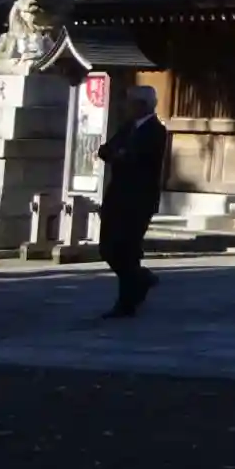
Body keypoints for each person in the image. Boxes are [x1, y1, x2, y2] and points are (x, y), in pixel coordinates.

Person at [96, 85, 166, 318]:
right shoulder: (127, 127)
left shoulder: (156, 130)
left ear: (142, 105)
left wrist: (121, 155)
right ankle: (141, 279)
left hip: (139, 199)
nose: (127, 107)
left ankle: (127, 302)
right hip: (117, 194)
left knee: (127, 249)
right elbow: (106, 151)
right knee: (108, 248)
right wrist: (118, 154)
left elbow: (138, 159)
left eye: (131, 102)